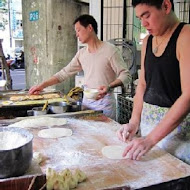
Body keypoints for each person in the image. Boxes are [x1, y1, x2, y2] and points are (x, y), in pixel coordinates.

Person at [117, 0, 190, 164]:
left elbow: (188, 96)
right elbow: (142, 84)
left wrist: (150, 139)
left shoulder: (186, 36)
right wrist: (134, 122)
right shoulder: (148, 41)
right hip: (149, 130)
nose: (143, 24)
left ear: (166, 6)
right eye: (139, 18)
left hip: (180, 136)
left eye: (146, 15)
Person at [29, 14, 131, 120]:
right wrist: (42, 86)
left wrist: (109, 86)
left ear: (90, 28)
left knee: (104, 135)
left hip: (105, 103)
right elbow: (63, 73)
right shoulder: (82, 54)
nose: (77, 35)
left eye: (78, 30)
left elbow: (126, 75)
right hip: (87, 102)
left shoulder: (110, 50)